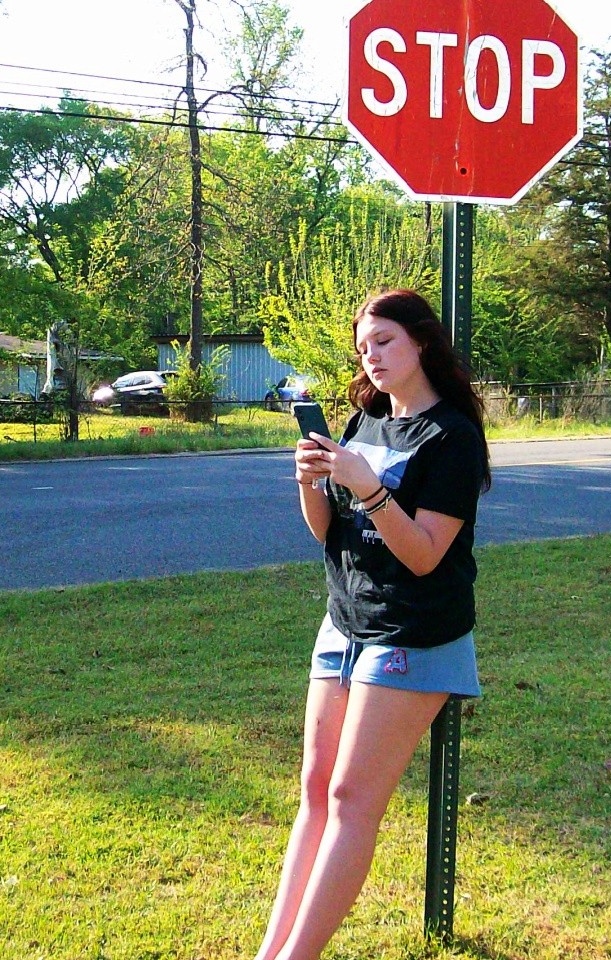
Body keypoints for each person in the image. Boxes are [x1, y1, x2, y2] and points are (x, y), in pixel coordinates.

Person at [254, 288, 491, 960]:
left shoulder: (453, 438)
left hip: (413, 632)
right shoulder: (366, 421)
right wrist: (310, 482)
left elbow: (424, 554)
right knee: (315, 791)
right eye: (363, 348)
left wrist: (369, 487)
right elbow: (327, 533)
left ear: (422, 341)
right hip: (343, 623)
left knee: (352, 798)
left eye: (384, 341)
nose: (372, 357)